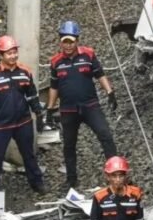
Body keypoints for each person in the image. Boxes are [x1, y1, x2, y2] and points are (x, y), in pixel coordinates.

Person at [46, 21, 118, 189]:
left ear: (77, 40)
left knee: (105, 135)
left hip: (90, 106)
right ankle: (71, 180)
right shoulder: (56, 62)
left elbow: (100, 74)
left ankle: (116, 173)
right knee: (69, 145)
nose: (68, 45)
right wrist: (50, 109)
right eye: (65, 41)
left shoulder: (88, 55)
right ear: (60, 41)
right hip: (68, 110)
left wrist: (110, 93)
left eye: (71, 41)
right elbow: (54, 86)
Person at [0, 35, 47, 207]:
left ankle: (37, 182)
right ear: (1, 55)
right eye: (9, 53)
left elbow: (32, 96)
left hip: (22, 123)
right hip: (1, 125)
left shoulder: (25, 72)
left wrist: (38, 115)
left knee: (29, 155)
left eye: (14, 52)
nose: (13, 56)